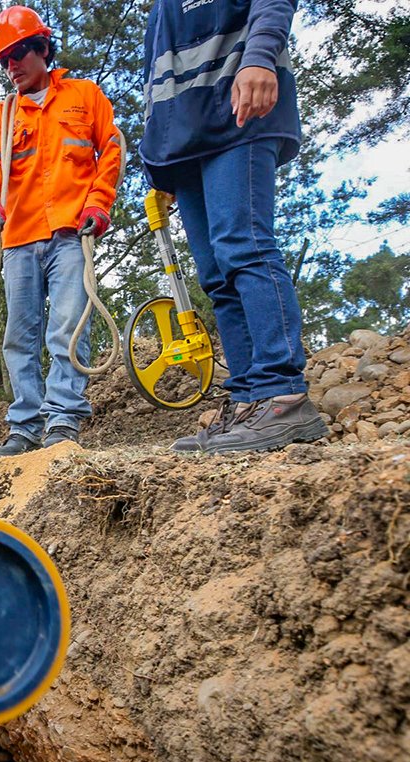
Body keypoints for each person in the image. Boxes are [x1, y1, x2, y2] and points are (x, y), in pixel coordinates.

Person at [141, 0, 327, 453]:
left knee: (244, 248)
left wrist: (260, 55)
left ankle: (282, 394)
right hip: (184, 143)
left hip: (237, 114)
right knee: (216, 275)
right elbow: (156, 80)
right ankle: (248, 400)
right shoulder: (160, 10)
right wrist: (157, 164)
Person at [0, 6, 123, 457]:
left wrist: (99, 202)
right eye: (3, 61)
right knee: (18, 337)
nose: (11, 66)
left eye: (17, 54)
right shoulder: (1, 114)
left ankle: (63, 421)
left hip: (71, 234)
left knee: (67, 329)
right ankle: (24, 426)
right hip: (18, 238)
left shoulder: (84, 96)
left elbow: (111, 150)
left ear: (41, 48)